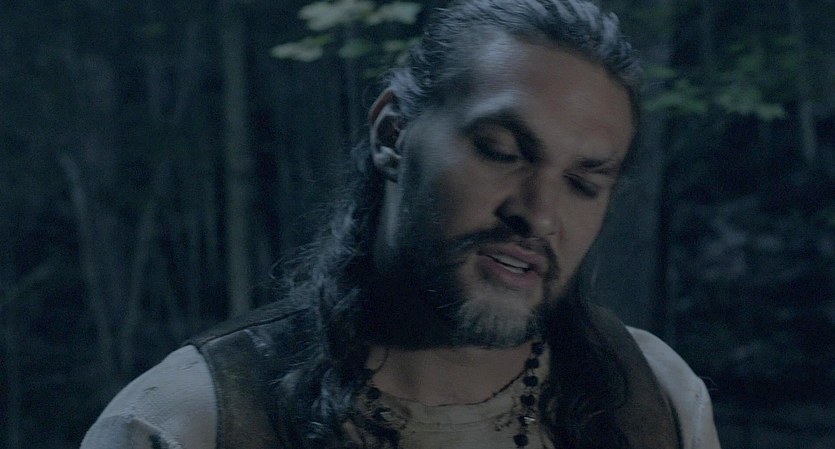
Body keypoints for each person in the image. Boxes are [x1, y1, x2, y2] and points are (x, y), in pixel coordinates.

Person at [81, 0, 722, 448]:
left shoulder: (652, 396)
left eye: (584, 183)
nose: (539, 214)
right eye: (501, 152)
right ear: (393, 133)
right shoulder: (190, 421)